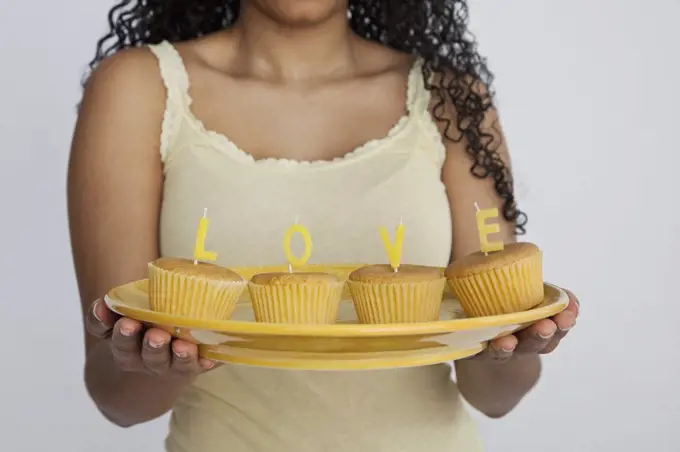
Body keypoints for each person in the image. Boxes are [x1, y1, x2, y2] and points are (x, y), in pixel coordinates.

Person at [67, 0, 580, 451]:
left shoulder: (450, 99)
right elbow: (118, 401)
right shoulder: (138, 88)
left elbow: (495, 397)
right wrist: (151, 363)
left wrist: (515, 346)